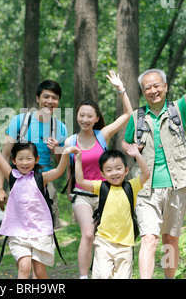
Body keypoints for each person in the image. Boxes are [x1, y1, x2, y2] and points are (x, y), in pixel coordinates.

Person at [121, 30, 186, 279]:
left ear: (165, 87)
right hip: (146, 187)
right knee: (149, 238)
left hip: (177, 185)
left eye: (156, 86)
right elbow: (126, 142)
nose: (152, 91)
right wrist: (129, 149)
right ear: (143, 91)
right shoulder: (137, 117)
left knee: (170, 239)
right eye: (147, 88)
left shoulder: (179, 109)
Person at [0, 120, 79, 279]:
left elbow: (59, 170)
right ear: (14, 161)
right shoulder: (12, 177)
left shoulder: (40, 177)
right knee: (24, 268)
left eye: (29, 158)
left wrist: (65, 152)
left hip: (40, 232)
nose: (24, 162)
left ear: (36, 160)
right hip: (18, 233)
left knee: (40, 273)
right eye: (20, 159)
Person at [64, 70, 133, 279]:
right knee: (87, 234)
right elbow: (69, 169)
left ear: (96, 119)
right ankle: (84, 276)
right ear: (77, 116)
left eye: (89, 116)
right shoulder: (69, 141)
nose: (84, 119)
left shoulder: (102, 135)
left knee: (105, 238)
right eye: (81, 115)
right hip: (82, 193)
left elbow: (128, 114)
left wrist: (121, 89)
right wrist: (70, 193)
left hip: (105, 193)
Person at [0, 80, 68, 228]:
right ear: (37, 98)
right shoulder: (19, 121)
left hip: (46, 181)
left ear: (58, 101)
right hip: (19, 181)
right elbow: (4, 154)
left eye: (54, 98)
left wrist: (56, 150)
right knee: (19, 227)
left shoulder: (60, 128)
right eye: (46, 97)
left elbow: (60, 163)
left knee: (47, 227)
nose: (50, 101)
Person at [75, 146, 150, 279]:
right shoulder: (101, 187)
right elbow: (80, 181)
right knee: (103, 275)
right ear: (103, 174)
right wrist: (79, 159)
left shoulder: (131, 186)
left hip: (126, 244)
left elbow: (146, 174)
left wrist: (137, 155)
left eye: (118, 168)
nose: (114, 173)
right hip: (104, 242)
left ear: (126, 170)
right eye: (109, 170)